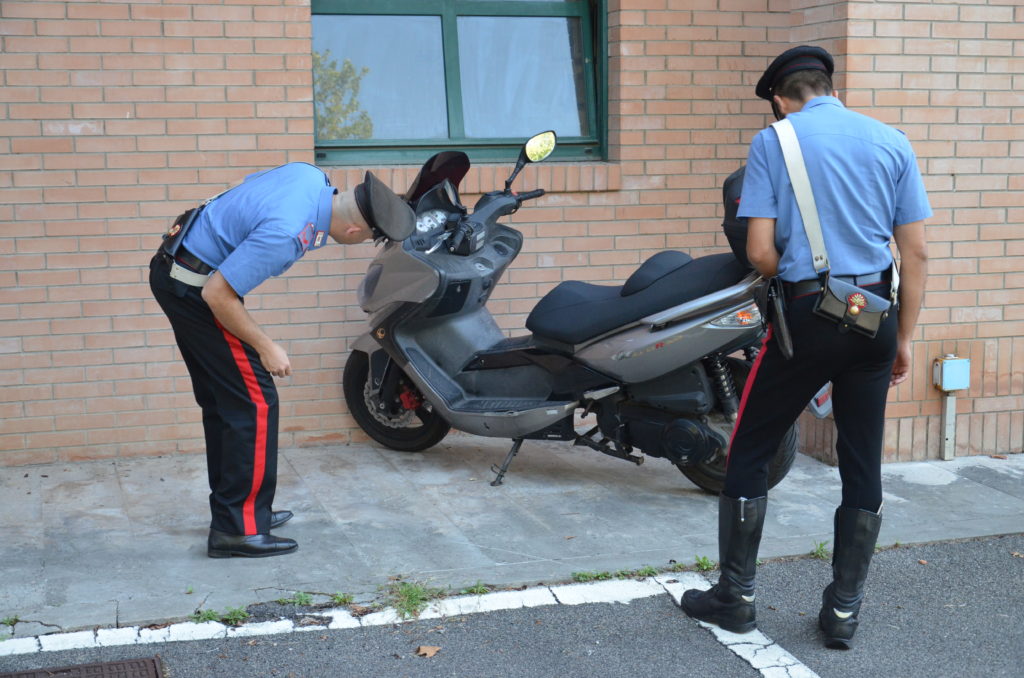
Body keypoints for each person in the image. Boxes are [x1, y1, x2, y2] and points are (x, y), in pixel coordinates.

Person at [680, 46, 930, 649]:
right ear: (829, 87)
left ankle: (735, 599)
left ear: (778, 98)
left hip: (808, 316)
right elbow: (916, 253)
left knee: (749, 449)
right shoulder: (891, 140)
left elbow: (762, 252)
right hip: (877, 316)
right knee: (862, 459)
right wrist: (905, 341)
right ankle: (844, 611)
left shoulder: (776, 142)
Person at [149, 162, 414, 558]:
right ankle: (237, 530)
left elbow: (249, 189)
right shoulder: (287, 233)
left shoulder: (309, 176)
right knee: (253, 403)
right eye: (364, 241)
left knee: (226, 402)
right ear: (356, 231)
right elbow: (218, 296)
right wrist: (266, 345)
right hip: (196, 290)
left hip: (179, 269)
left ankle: (239, 512)